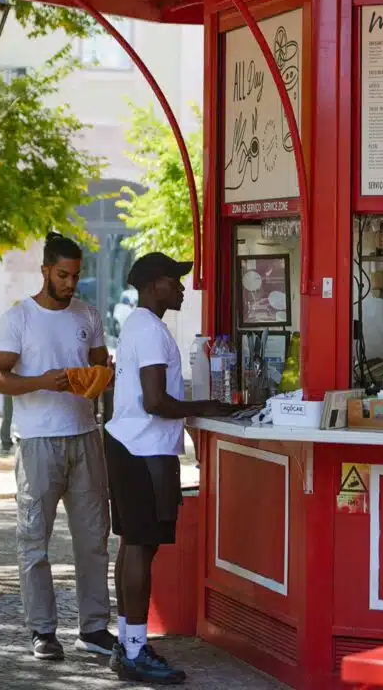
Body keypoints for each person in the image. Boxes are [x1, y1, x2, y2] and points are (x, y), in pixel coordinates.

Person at [104, 252, 236, 685]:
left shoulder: (137, 326)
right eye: (173, 281)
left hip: (127, 444)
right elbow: (156, 402)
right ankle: (137, 651)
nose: (180, 288)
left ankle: (128, 643)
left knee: (131, 544)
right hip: (144, 451)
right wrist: (209, 407)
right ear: (152, 286)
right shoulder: (153, 331)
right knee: (142, 546)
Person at [0, 232, 116, 662]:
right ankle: (43, 631)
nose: (70, 283)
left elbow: (100, 364)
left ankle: (95, 629)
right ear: (45, 270)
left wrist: (102, 375)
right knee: (34, 541)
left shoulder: (88, 313)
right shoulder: (17, 318)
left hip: (85, 436)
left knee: (94, 538)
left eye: (76, 276)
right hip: (37, 440)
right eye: (63, 274)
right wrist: (42, 381)